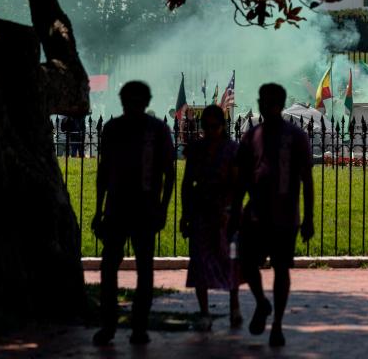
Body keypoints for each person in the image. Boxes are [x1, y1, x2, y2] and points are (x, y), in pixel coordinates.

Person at [91, 81, 176, 346]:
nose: (134, 104)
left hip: (141, 208)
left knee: (141, 268)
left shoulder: (156, 130)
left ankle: (135, 326)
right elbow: (104, 172)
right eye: (130, 99)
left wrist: (162, 208)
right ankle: (111, 324)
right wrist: (98, 209)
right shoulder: (115, 129)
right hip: (120, 207)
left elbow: (169, 173)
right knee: (113, 267)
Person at [231, 83, 314, 348]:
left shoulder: (295, 136)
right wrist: (235, 209)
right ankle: (262, 303)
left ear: (277, 103)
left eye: (267, 101)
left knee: (281, 269)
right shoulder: (251, 136)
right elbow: (242, 178)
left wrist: (309, 218)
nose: (264, 105)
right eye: (262, 101)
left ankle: (277, 324)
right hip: (255, 213)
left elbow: (307, 180)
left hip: (285, 215)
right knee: (246, 264)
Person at [180, 104, 241, 331]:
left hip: (225, 213)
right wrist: (185, 213)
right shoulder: (196, 149)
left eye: (214, 127)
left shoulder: (232, 150)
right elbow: (187, 183)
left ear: (222, 127)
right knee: (199, 261)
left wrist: (231, 212)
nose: (210, 131)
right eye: (206, 126)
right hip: (201, 211)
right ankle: (204, 312)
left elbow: (237, 185)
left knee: (230, 261)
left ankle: (234, 307)